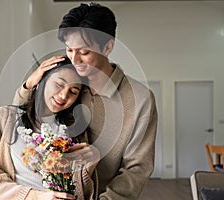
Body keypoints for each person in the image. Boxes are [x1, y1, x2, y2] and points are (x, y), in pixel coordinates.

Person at [13, 3, 158, 200]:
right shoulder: (66, 86)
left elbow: (137, 169)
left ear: (108, 47)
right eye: (69, 50)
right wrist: (29, 84)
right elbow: (22, 116)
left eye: (84, 52)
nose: (75, 59)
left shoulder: (140, 99)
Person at [0, 57, 99, 200]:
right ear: (43, 80)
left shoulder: (74, 133)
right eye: (59, 84)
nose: (63, 95)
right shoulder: (3, 118)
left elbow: (82, 192)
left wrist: (90, 164)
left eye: (73, 91)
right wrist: (35, 196)